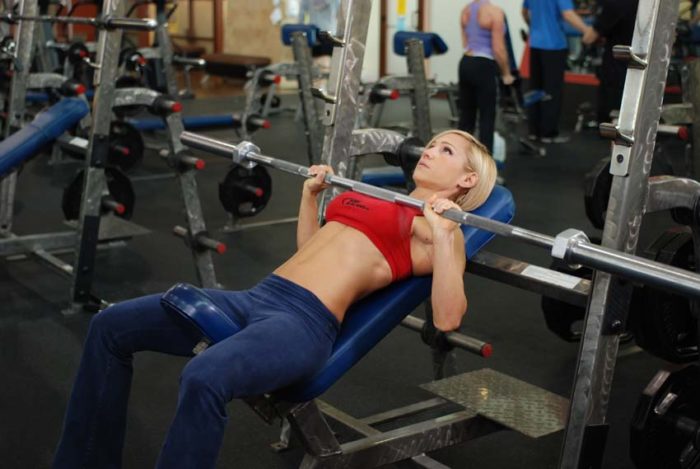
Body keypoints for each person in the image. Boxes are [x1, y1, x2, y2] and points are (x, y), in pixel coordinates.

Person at [51, 130, 498, 469]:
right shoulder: (377, 197)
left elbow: (447, 317)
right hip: (256, 297)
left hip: (302, 324)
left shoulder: (439, 230)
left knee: (204, 377)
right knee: (110, 328)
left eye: (445, 150)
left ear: (467, 179)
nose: (429, 150)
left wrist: (443, 233)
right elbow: (311, 253)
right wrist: (310, 198)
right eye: (432, 143)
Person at [522, 0, 593, 143]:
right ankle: (548, 134)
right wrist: (587, 31)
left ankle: (534, 132)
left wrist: (533, 28)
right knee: (552, 91)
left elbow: (524, 12)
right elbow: (568, 14)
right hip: (553, 46)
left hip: (535, 44)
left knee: (536, 89)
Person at [458, 0, 515, 154]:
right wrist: (506, 73)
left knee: (466, 117)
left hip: (466, 62)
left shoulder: (465, 11)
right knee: (487, 118)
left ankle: (459, 161)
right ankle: (485, 168)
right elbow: (498, 48)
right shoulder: (494, 12)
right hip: (484, 65)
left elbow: (465, 42)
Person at [581, 0, 638, 126]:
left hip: (617, 65)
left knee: (612, 112)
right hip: (639, 62)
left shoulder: (614, 3)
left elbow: (589, 38)